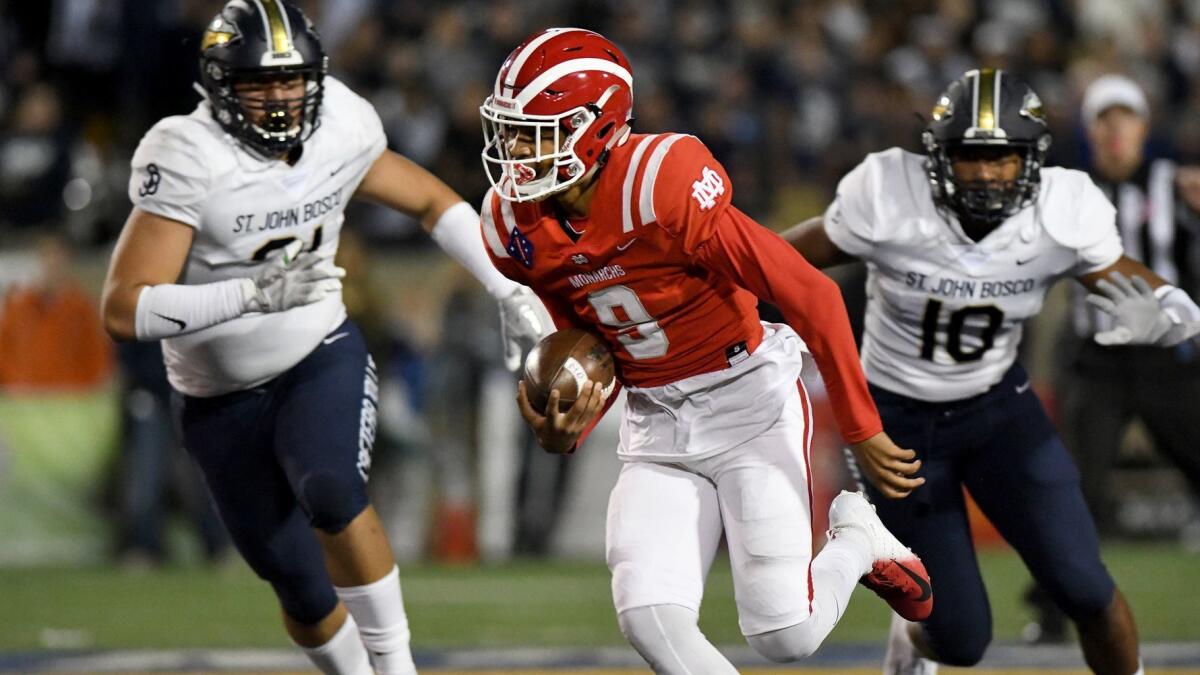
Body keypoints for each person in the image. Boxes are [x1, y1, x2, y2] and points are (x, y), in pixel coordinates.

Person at [100, 2, 548, 673]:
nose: (280, 98)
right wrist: (247, 295)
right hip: (216, 396)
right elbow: (123, 308)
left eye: (292, 80)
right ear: (219, 84)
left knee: (335, 489)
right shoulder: (188, 154)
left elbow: (430, 200)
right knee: (300, 587)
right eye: (258, 83)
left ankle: (398, 667)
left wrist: (506, 286)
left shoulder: (341, 120)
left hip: (317, 354)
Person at [477, 28, 933, 674]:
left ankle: (857, 536)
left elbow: (812, 294)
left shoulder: (660, 184)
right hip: (654, 418)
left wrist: (861, 427)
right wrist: (568, 421)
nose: (516, 150)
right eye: (511, 131)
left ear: (598, 127)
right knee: (648, 615)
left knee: (785, 635)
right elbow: (591, 343)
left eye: (537, 131)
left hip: (747, 397)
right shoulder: (510, 227)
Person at [783, 68, 1200, 675]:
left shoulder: (1062, 208)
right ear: (937, 156)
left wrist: (1168, 304)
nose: (983, 172)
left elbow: (1118, 273)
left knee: (1085, 586)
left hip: (999, 411)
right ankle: (910, 639)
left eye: (1001, 157)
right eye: (968, 155)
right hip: (897, 427)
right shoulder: (890, 195)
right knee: (960, 639)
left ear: (1030, 159)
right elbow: (779, 261)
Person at [1023, 73, 1200, 644]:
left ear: (1144, 128)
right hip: (1097, 363)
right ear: (1090, 130)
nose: (1116, 129)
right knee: (1072, 491)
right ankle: (1051, 616)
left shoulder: (1179, 186)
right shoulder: (1068, 190)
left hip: (1172, 361)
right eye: (1104, 119)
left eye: (1125, 117)